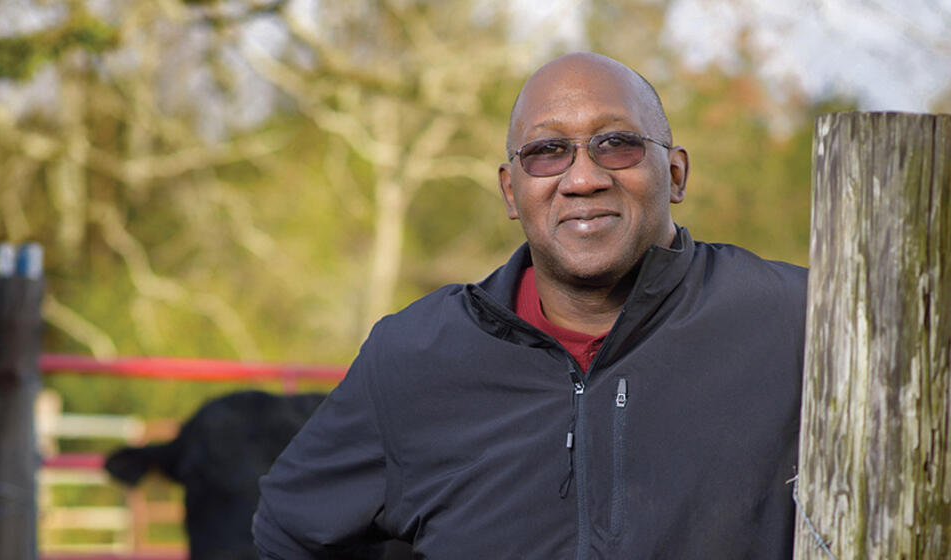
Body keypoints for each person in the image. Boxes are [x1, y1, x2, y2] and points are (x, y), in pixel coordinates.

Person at [253, 52, 807, 559]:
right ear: (510, 192)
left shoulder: (797, 324)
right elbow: (287, 531)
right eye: (547, 152)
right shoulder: (414, 356)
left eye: (617, 143)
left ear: (677, 173)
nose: (585, 178)